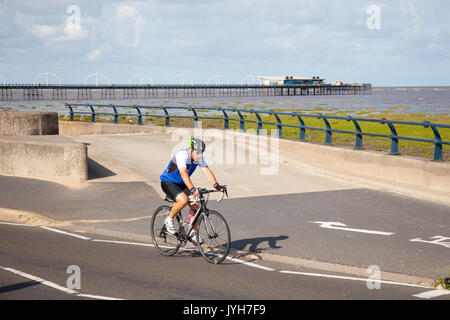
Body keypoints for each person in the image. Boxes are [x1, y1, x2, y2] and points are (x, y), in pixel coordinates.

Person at [160, 137, 226, 244]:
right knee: (183, 200)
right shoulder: (182, 155)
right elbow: (183, 173)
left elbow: (206, 170)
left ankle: (192, 233)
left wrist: (216, 185)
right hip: (168, 182)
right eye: (198, 153)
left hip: (182, 184)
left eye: (201, 153)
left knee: (196, 205)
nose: (199, 155)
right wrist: (192, 188)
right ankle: (169, 221)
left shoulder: (198, 157)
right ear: (191, 150)